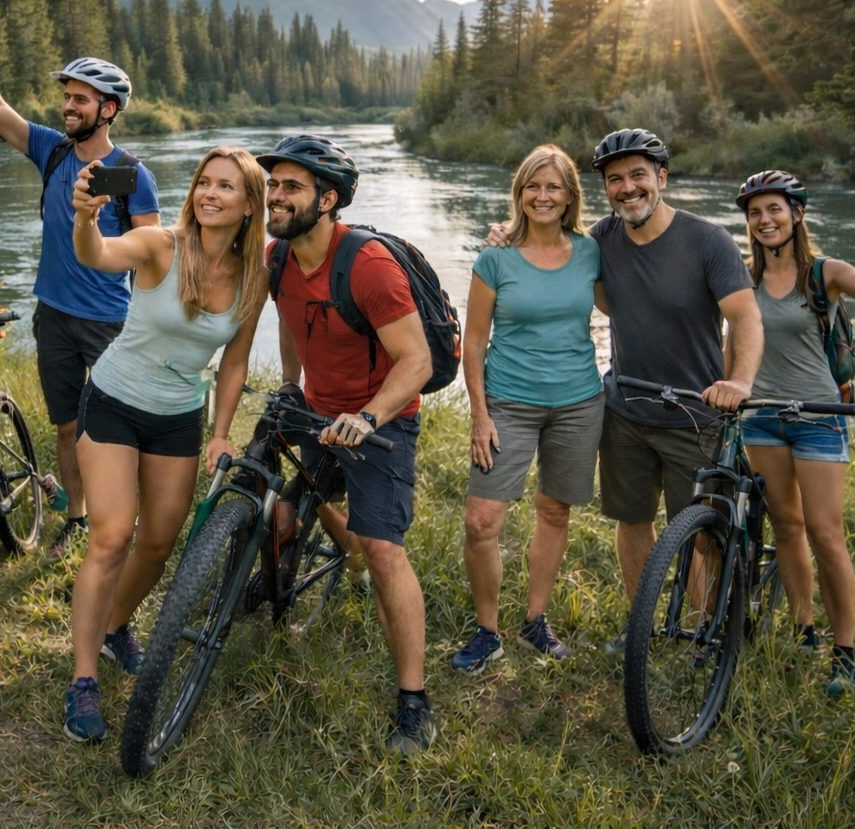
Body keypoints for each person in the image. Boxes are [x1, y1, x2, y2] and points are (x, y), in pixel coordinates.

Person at [493, 130, 765, 647]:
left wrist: (738, 381)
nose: (627, 187)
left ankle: (704, 631)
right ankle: (642, 627)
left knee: (703, 536)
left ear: (661, 177)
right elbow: (551, 251)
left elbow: (746, 318)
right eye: (615, 179)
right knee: (632, 520)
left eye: (638, 175)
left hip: (696, 413)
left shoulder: (708, 241)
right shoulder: (601, 240)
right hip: (625, 410)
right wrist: (508, 236)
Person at [60, 147, 267, 743]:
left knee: (157, 543)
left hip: (178, 417)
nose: (209, 194)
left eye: (225, 186)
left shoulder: (254, 276)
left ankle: (114, 626)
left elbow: (234, 361)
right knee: (112, 536)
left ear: (249, 205)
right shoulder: (160, 245)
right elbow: (97, 254)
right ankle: (83, 680)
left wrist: (221, 431)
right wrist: (85, 217)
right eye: (204, 182)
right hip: (114, 401)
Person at [261, 134, 437, 756]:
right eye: (273, 184)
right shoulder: (279, 258)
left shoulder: (367, 265)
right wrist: (290, 384)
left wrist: (367, 417)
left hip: (380, 418)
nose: (275, 196)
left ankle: (414, 700)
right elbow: (290, 319)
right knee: (280, 500)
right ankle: (329, 556)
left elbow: (416, 361)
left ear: (328, 199)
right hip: (316, 408)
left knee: (385, 549)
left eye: (291, 187)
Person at [0, 43, 158, 558]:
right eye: (67, 97)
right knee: (67, 425)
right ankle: (77, 519)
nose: (68, 106)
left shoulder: (129, 173)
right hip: (55, 318)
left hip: (110, 322)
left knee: (113, 430)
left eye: (80, 99)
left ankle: (123, 523)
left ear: (108, 109)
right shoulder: (53, 150)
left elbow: (152, 255)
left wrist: (152, 325)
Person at [735, 171, 855, 696]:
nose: (765, 220)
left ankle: (845, 652)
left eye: (774, 209)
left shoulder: (823, 273)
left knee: (825, 535)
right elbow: (732, 341)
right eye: (755, 213)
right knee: (786, 526)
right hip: (761, 416)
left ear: (797, 213)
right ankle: (804, 627)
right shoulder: (743, 277)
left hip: (819, 417)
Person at [451, 145, 605, 675]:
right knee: (481, 520)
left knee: (555, 511)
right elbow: (474, 342)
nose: (543, 196)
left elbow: (623, 294)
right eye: (533, 186)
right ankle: (487, 631)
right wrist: (480, 414)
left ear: (569, 196)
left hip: (578, 401)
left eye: (553, 186)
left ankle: (536, 621)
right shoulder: (495, 258)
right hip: (508, 403)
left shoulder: (590, 250)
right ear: (519, 193)